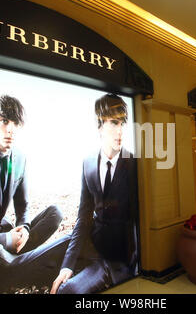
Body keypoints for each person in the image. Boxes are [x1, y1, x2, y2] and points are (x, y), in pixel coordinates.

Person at [50, 93, 139, 294]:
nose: (120, 131)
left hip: (119, 258)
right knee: (53, 259)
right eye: (114, 123)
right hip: (92, 246)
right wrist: (67, 265)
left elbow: (138, 221)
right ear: (100, 126)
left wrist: (136, 267)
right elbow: (84, 216)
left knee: (68, 292)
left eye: (123, 124)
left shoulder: (135, 164)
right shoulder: (88, 163)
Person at [0, 95, 65, 292]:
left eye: (16, 123)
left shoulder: (20, 159)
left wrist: (24, 229)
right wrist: (6, 240)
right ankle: (16, 265)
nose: (11, 129)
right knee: (5, 263)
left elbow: (23, 206)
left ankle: (17, 258)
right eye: (4, 121)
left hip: (5, 230)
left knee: (55, 213)